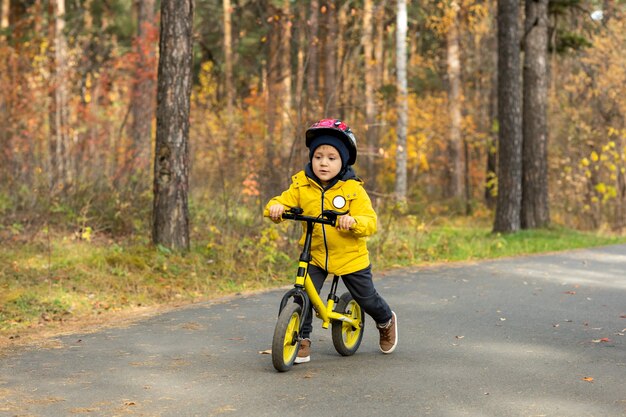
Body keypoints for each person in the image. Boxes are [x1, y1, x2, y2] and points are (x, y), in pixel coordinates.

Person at [264, 118, 397, 364]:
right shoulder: (302, 185)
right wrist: (276, 208)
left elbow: (370, 221)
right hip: (315, 254)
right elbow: (278, 201)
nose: (323, 162)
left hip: (350, 257)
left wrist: (352, 221)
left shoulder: (353, 190)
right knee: (300, 294)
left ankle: (385, 319)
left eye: (332, 157)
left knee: (367, 298)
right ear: (311, 158)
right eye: (318, 157)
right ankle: (301, 341)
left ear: (343, 160)